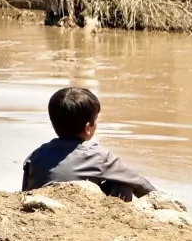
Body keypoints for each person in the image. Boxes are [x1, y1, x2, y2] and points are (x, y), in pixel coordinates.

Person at [22, 86, 155, 202]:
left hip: (44, 211)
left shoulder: (35, 155)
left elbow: (25, 192)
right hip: (80, 215)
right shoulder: (98, 156)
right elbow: (139, 183)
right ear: (87, 128)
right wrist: (162, 201)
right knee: (123, 184)